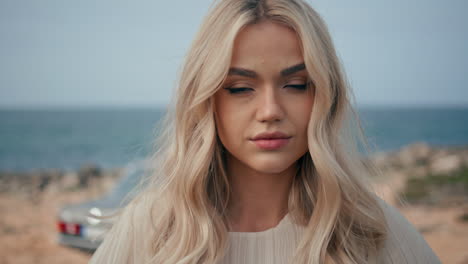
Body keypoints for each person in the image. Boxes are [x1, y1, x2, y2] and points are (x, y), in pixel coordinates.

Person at [89, 0, 440, 263]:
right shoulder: (151, 231)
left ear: (325, 95)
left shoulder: (369, 231)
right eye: (241, 88)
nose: (270, 111)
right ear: (206, 100)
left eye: (298, 84)